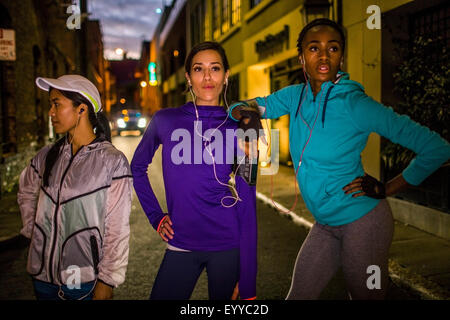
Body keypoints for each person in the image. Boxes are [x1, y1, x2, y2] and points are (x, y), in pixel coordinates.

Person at [229, 18, 450, 299]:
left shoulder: (356, 105)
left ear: (341, 57)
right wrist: (245, 114)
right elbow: (245, 106)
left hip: (364, 222)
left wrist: (387, 188)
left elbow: (437, 148)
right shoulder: (294, 97)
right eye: (314, 48)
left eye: (332, 48)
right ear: (301, 58)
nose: (323, 56)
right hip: (325, 224)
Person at [131, 41, 257, 300]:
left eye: (215, 68)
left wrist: (248, 283)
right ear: (188, 78)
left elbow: (247, 202)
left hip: (228, 244)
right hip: (181, 243)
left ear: (226, 75)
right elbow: (137, 167)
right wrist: (156, 216)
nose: (208, 77)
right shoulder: (165, 120)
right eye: (199, 69)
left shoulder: (243, 127)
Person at [18, 75, 132, 300]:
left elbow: (117, 229)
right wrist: (36, 231)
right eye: (51, 104)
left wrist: (107, 280)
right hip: (42, 277)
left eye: (57, 104)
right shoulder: (46, 156)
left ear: (81, 109)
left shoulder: (111, 161)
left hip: (82, 282)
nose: (51, 112)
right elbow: (26, 192)